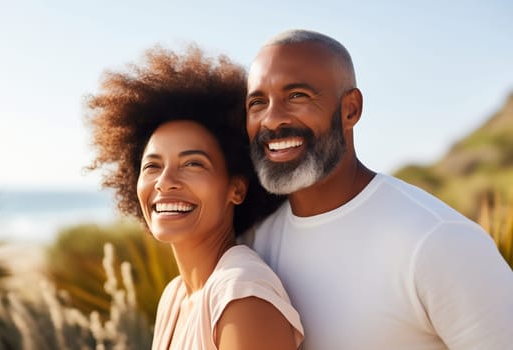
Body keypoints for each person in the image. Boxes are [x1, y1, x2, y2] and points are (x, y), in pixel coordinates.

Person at [243, 29, 513, 350]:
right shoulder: (254, 242)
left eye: (297, 96)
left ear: (350, 110)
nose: (272, 120)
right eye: (258, 102)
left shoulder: (439, 241)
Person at [86, 45, 304, 350]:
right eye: (152, 166)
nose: (165, 182)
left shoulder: (242, 297)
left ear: (237, 189)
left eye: (192, 164)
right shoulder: (175, 296)